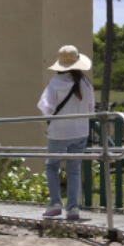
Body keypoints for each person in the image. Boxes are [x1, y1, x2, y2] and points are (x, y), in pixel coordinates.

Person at [36, 44, 95, 220]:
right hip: (81, 132)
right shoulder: (85, 83)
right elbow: (91, 109)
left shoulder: (55, 82)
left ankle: (55, 203)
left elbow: (46, 108)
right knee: (74, 169)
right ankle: (73, 208)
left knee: (52, 166)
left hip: (59, 132)